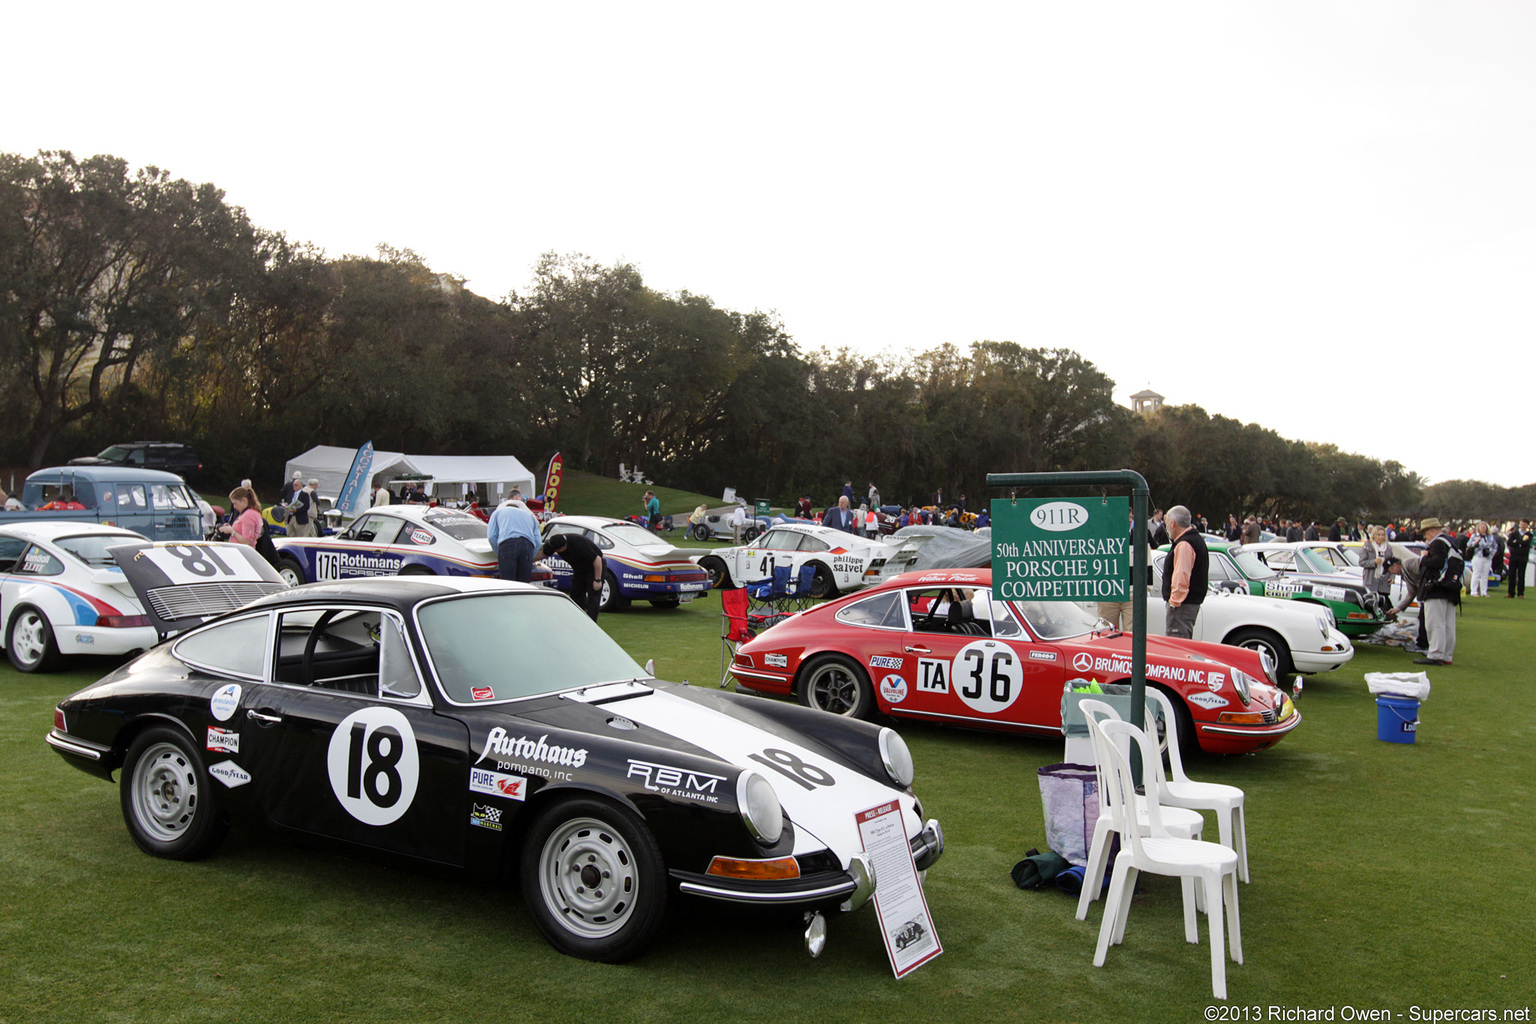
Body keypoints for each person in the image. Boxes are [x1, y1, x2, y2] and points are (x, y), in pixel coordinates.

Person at [1414, 517, 1460, 666]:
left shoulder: (1438, 544)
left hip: (1436, 588)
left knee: (1435, 623)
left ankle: (1435, 654)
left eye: (1426, 533)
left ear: (1432, 531)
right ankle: (1447, 655)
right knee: (1448, 623)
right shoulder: (1451, 542)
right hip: (1450, 588)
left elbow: (1437, 562)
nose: (1425, 537)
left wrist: (1424, 559)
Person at [1161, 505, 1207, 639]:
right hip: (1188, 603)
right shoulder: (1195, 539)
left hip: (1181, 605)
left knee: (1176, 644)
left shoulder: (1185, 544)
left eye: (1167, 523)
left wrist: (1174, 603)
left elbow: (1181, 576)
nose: (1167, 528)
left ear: (1173, 523)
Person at [540, 531, 605, 620]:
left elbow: (597, 559)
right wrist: (530, 561)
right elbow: (543, 554)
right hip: (579, 569)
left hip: (594, 568)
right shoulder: (553, 543)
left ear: (563, 548)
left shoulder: (579, 543)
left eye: (557, 551)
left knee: (593, 598)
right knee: (575, 595)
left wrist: (597, 580)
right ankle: (577, 619)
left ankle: (591, 623)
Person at [487, 496, 541, 583]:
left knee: (508, 583)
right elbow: (538, 542)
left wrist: (499, 552)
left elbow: (491, 536)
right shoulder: (530, 516)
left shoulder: (498, 512)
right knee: (524, 585)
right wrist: (531, 556)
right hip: (527, 546)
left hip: (507, 544)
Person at [1358, 526, 1394, 611]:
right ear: (1374, 535)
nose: (1381, 537)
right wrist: (1374, 562)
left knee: (1385, 605)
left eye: (1383, 535)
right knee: (1371, 603)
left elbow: (1392, 565)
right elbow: (1362, 562)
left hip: (1384, 581)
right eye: (1379, 535)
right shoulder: (1367, 546)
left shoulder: (1388, 548)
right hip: (1371, 579)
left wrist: (1392, 577)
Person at [1465, 521, 1495, 597]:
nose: (1483, 529)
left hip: (1487, 557)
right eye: (1481, 527)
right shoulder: (1475, 536)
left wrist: (1492, 553)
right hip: (1478, 556)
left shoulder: (1490, 537)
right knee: (1476, 573)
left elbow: (1495, 546)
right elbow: (1469, 544)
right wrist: (1475, 542)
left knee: (1485, 575)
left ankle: (1484, 592)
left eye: (1484, 527)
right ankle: (1474, 591)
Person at [1508, 518, 1532, 598]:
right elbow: (1510, 543)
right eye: (1521, 524)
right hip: (1513, 556)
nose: (1523, 526)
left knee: (1521, 575)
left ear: (1527, 525)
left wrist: (1517, 542)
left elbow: (1527, 544)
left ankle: (1520, 593)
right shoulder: (1514, 533)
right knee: (1512, 575)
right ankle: (1511, 593)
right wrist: (1520, 543)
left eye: (1524, 524)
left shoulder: (1529, 534)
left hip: (1523, 557)